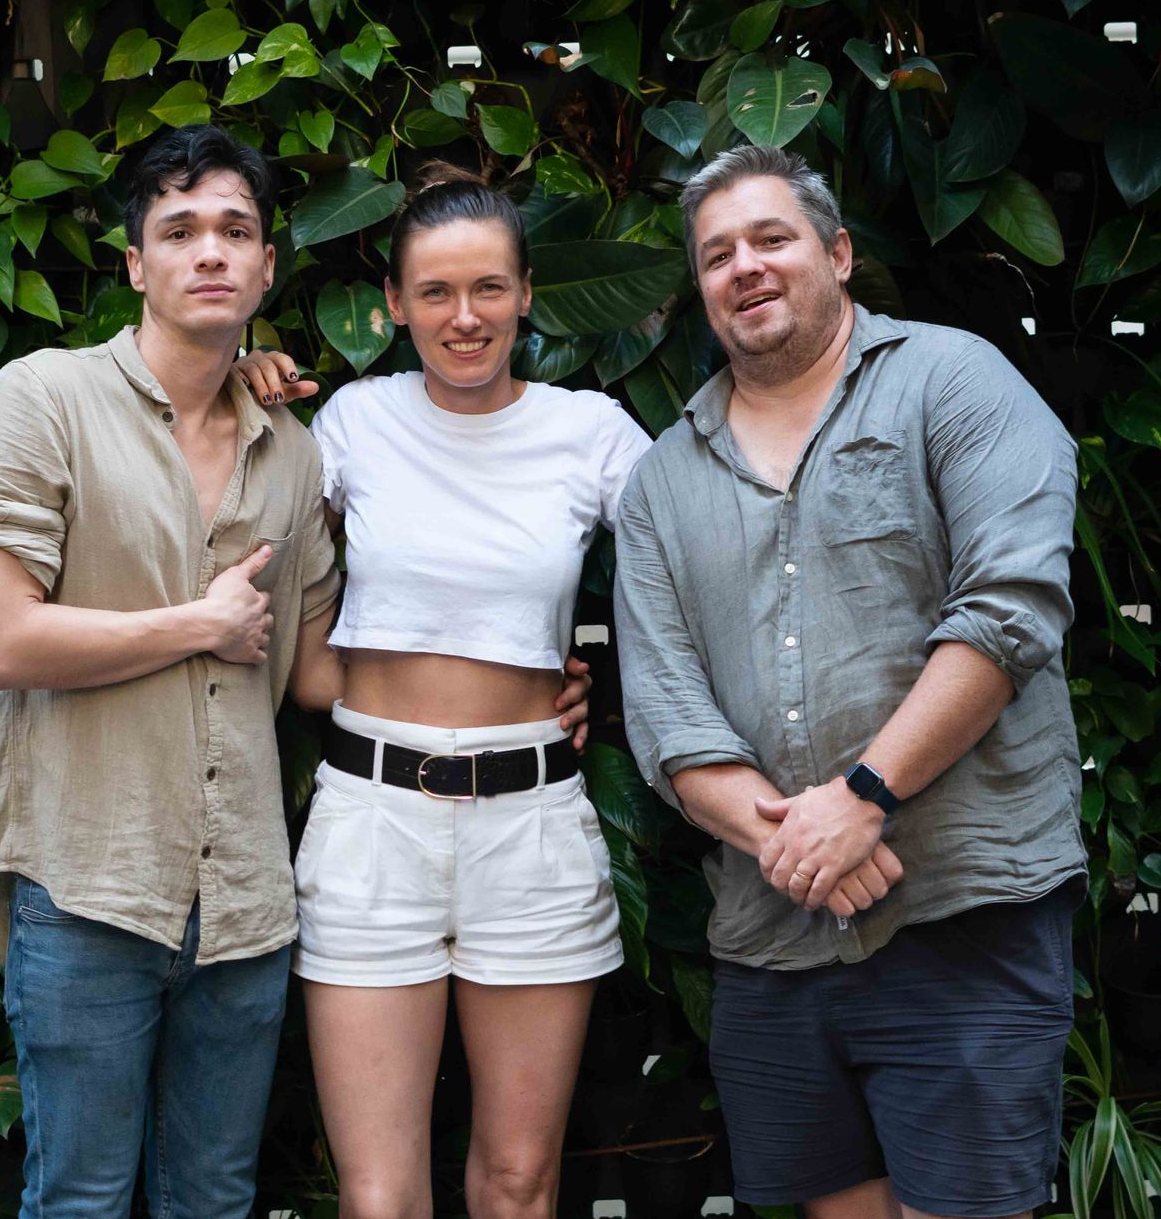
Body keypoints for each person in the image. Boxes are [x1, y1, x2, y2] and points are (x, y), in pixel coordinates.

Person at [614, 143, 1084, 1219]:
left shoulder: (950, 379)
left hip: (960, 913)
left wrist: (862, 798)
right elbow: (665, 710)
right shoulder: (659, 480)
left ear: (836, 253)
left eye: (770, 238)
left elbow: (1010, 608)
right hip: (773, 941)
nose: (745, 266)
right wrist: (803, 839)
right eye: (717, 253)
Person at [232, 163, 650, 1219]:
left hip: (534, 826)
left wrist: (614, 679)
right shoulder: (352, 423)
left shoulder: (589, 430)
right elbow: (228, 503)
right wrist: (237, 373)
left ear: (524, 294)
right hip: (373, 817)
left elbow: (701, 558)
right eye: (433, 293)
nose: (462, 318)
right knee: (378, 1197)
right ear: (393, 305)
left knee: (518, 1182)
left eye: (487, 290)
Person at [0, 125, 346, 1219]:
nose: (208, 251)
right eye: (178, 230)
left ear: (266, 266)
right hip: (88, 886)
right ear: (135, 264)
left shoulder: (292, 447)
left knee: (212, 1198)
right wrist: (196, 624)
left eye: (234, 229)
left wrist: (511, 693)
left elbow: (313, 676)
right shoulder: (43, 398)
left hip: (246, 905)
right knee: (78, 1198)